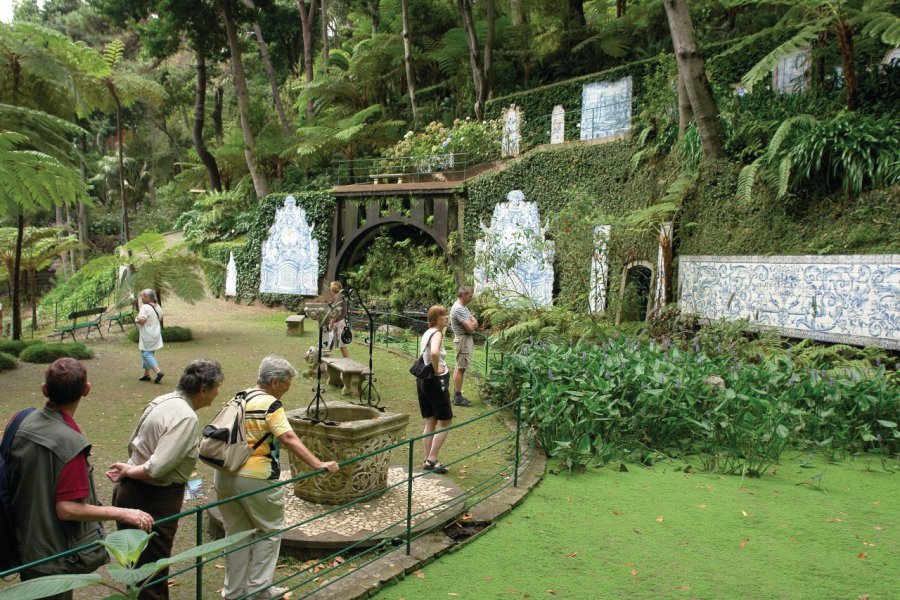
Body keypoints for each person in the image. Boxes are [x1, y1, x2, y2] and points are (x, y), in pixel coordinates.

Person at [6, 358, 153, 600]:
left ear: (44, 390)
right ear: (87, 389)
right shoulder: (71, 444)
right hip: (51, 559)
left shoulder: (21, 421)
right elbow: (67, 509)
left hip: (22, 543)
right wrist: (124, 513)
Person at [214, 355, 339, 600]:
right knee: (269, 531)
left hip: (224, 475)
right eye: (286, 382)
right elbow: (288, 437)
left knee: (236, 533)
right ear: (274, 381)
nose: (289, 387)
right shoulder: (270, 404)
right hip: (255, 477)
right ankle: (259, 589)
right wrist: (318, 463)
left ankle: (234, 592)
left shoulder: (239, 396)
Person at [106, 359, 225, 600]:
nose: (218, 392)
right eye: (216, 387)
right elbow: (156, 469)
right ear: (203, 390)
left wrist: (129, 469)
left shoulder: (162, 401)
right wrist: (130, 471)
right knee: (151, 579)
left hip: (130, 492)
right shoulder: (186, 418)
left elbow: (133, 444)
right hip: (152, 499)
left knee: (139, 572)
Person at [417, 305, 453, 474]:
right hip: (435, 381)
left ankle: (427, 459)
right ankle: (432, 458)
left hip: (423, 380)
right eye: (443, 315)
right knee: (445, 421)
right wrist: (437, 368)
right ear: (436, 319)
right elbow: (433, 353)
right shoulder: (437, 333)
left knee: (430, 420)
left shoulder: (427, 333)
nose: (447, 317)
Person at [449, 285, 478, 407]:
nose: (471, 298)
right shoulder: (459, 309)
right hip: (463, 340)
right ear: (464, 295)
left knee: (458, 367)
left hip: (463, 340)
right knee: (461, 368)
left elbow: (474, 321)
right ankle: (458, 397)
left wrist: (473, 323)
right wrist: (473, 324)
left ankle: (457, 395)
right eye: (470, 296)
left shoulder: (463, 307)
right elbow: (471, 328)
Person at [136, 288, 164, 384]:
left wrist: (136, 320)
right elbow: (160, 317)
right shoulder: (157, 306)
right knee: (149, 353)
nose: (141, 298)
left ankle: (158, 371)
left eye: (142, 296)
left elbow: (142, 320)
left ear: (148, 297)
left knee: (146, 354)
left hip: (147, 334)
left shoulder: (145, 307)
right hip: (155, 333)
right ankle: (146, 375)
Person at [328, 281, 350, 358]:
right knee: (329, 342)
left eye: (331, 286)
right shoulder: (339, 296)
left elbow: (336, 313)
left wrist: (331, 324)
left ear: (333, 288)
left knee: (342, 344)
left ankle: (347, 361)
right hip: (338, 321)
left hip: (340, 322)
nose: (330, 288)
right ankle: (323, 359)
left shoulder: (339, 296)